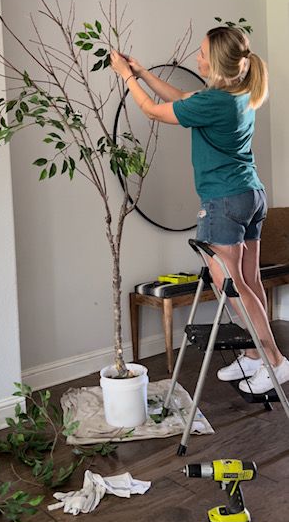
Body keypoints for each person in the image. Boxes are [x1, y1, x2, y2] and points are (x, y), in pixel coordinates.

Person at [110, 26, 289, 394]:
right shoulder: (235, 94)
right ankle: (257, 356)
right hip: (250, 196)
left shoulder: (215, 102)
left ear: (218, 62)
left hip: (224, 201)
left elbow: (154, 111)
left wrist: (126, 76)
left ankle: (275, 361)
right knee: (250, 282)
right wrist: (142, 72)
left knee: (233, 285)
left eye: (203, 53)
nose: (197, 57)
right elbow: (179, 97)